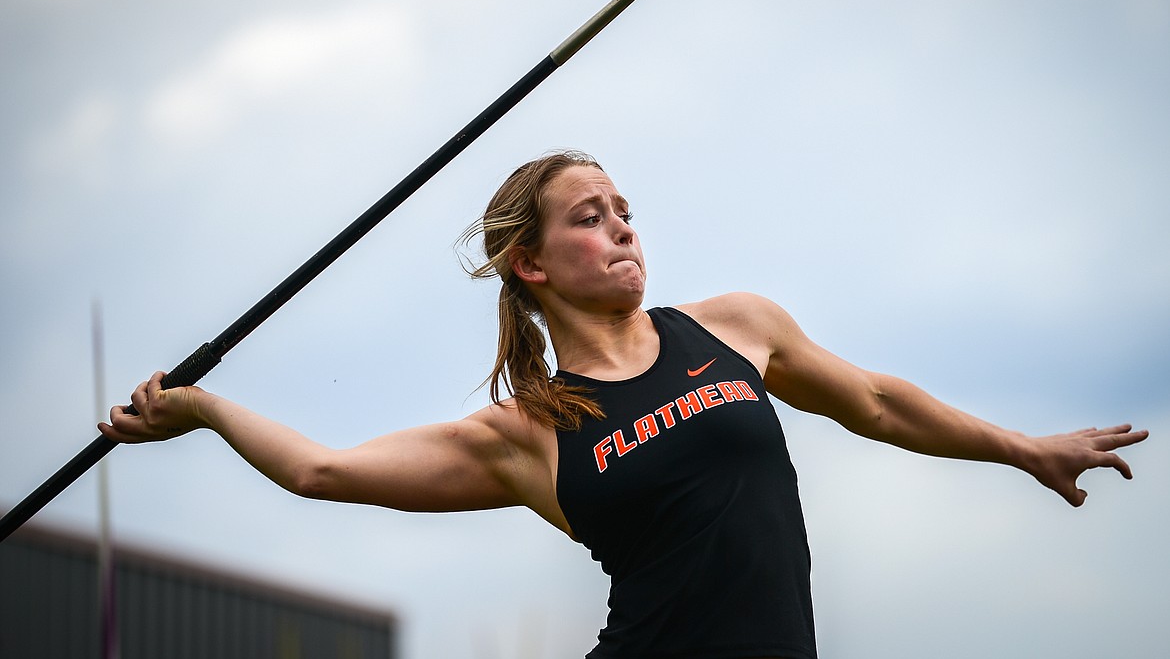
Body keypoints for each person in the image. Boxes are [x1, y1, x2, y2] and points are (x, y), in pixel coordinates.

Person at [99, 150, 1148, 659]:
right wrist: (204, 408)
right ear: (534, 265)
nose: (623, 230)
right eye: (591, 218)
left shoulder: (736, 327)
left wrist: (1021, 447)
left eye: (626, 213)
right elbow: (320, 470)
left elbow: (875, 399)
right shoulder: (525, 432)